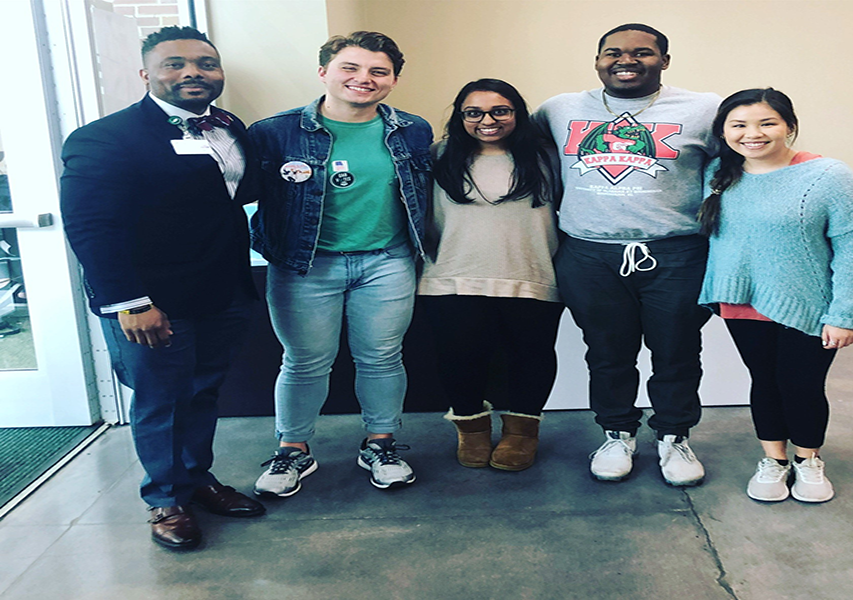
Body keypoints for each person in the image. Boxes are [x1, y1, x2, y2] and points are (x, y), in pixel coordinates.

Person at [60, 26, 265, 550]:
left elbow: (228, 200)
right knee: (160, 400)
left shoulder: (229, 127)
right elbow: (91, 228)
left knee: (203, 391)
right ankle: (165, 499)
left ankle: (196, 478)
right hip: (151, 299)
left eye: (205, 63)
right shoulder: (105, 138)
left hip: (222, 290)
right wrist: (129, 302)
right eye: (175, 63)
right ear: (146, 74)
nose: (193, 72)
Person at [533, 23, 720, 486]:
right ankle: (617, 433)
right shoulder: (559, 109)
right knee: (607, 353)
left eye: (643, 52)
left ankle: (674, 436)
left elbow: (750, 150)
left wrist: (816, 180)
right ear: (598, 60)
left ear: (665, 61)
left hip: (676, 253)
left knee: (677, 352)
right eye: (613, 52)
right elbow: (505, 142)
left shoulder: (704, 108)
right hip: (589, 253)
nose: (626, 60)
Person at [249, 32, 432, 494]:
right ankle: (293, 451)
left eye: (378, 71)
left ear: (393, 80)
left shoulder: (413, 130)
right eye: (350, 67)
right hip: (304, 265)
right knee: (305, 362)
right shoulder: (274, 132)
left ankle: (381, 444)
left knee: (382, 358)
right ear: (323, 72)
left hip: (386, 262)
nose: (363, 78)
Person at [697, 88, 853, 503]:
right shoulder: (716, 173)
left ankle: (808, 460)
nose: (752, 134)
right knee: (764, 381)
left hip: (809, 304)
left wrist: (845, 313)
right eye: (739, 125)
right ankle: (774, 460)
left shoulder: (828, 175)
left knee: (802, 385)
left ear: (789, 126)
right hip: (740, 300)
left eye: (767, 123)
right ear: (723, 132)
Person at [418, 79, 563, 472]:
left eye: (500, 111)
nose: (487, 120)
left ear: (517, 113)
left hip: (531, 274)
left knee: (531, 357)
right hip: (451, 276)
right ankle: (472, 430)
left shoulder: (547, 156)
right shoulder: (437, 155)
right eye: (474, 113)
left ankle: (521, 434)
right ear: (459, 116)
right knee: (458, 358)